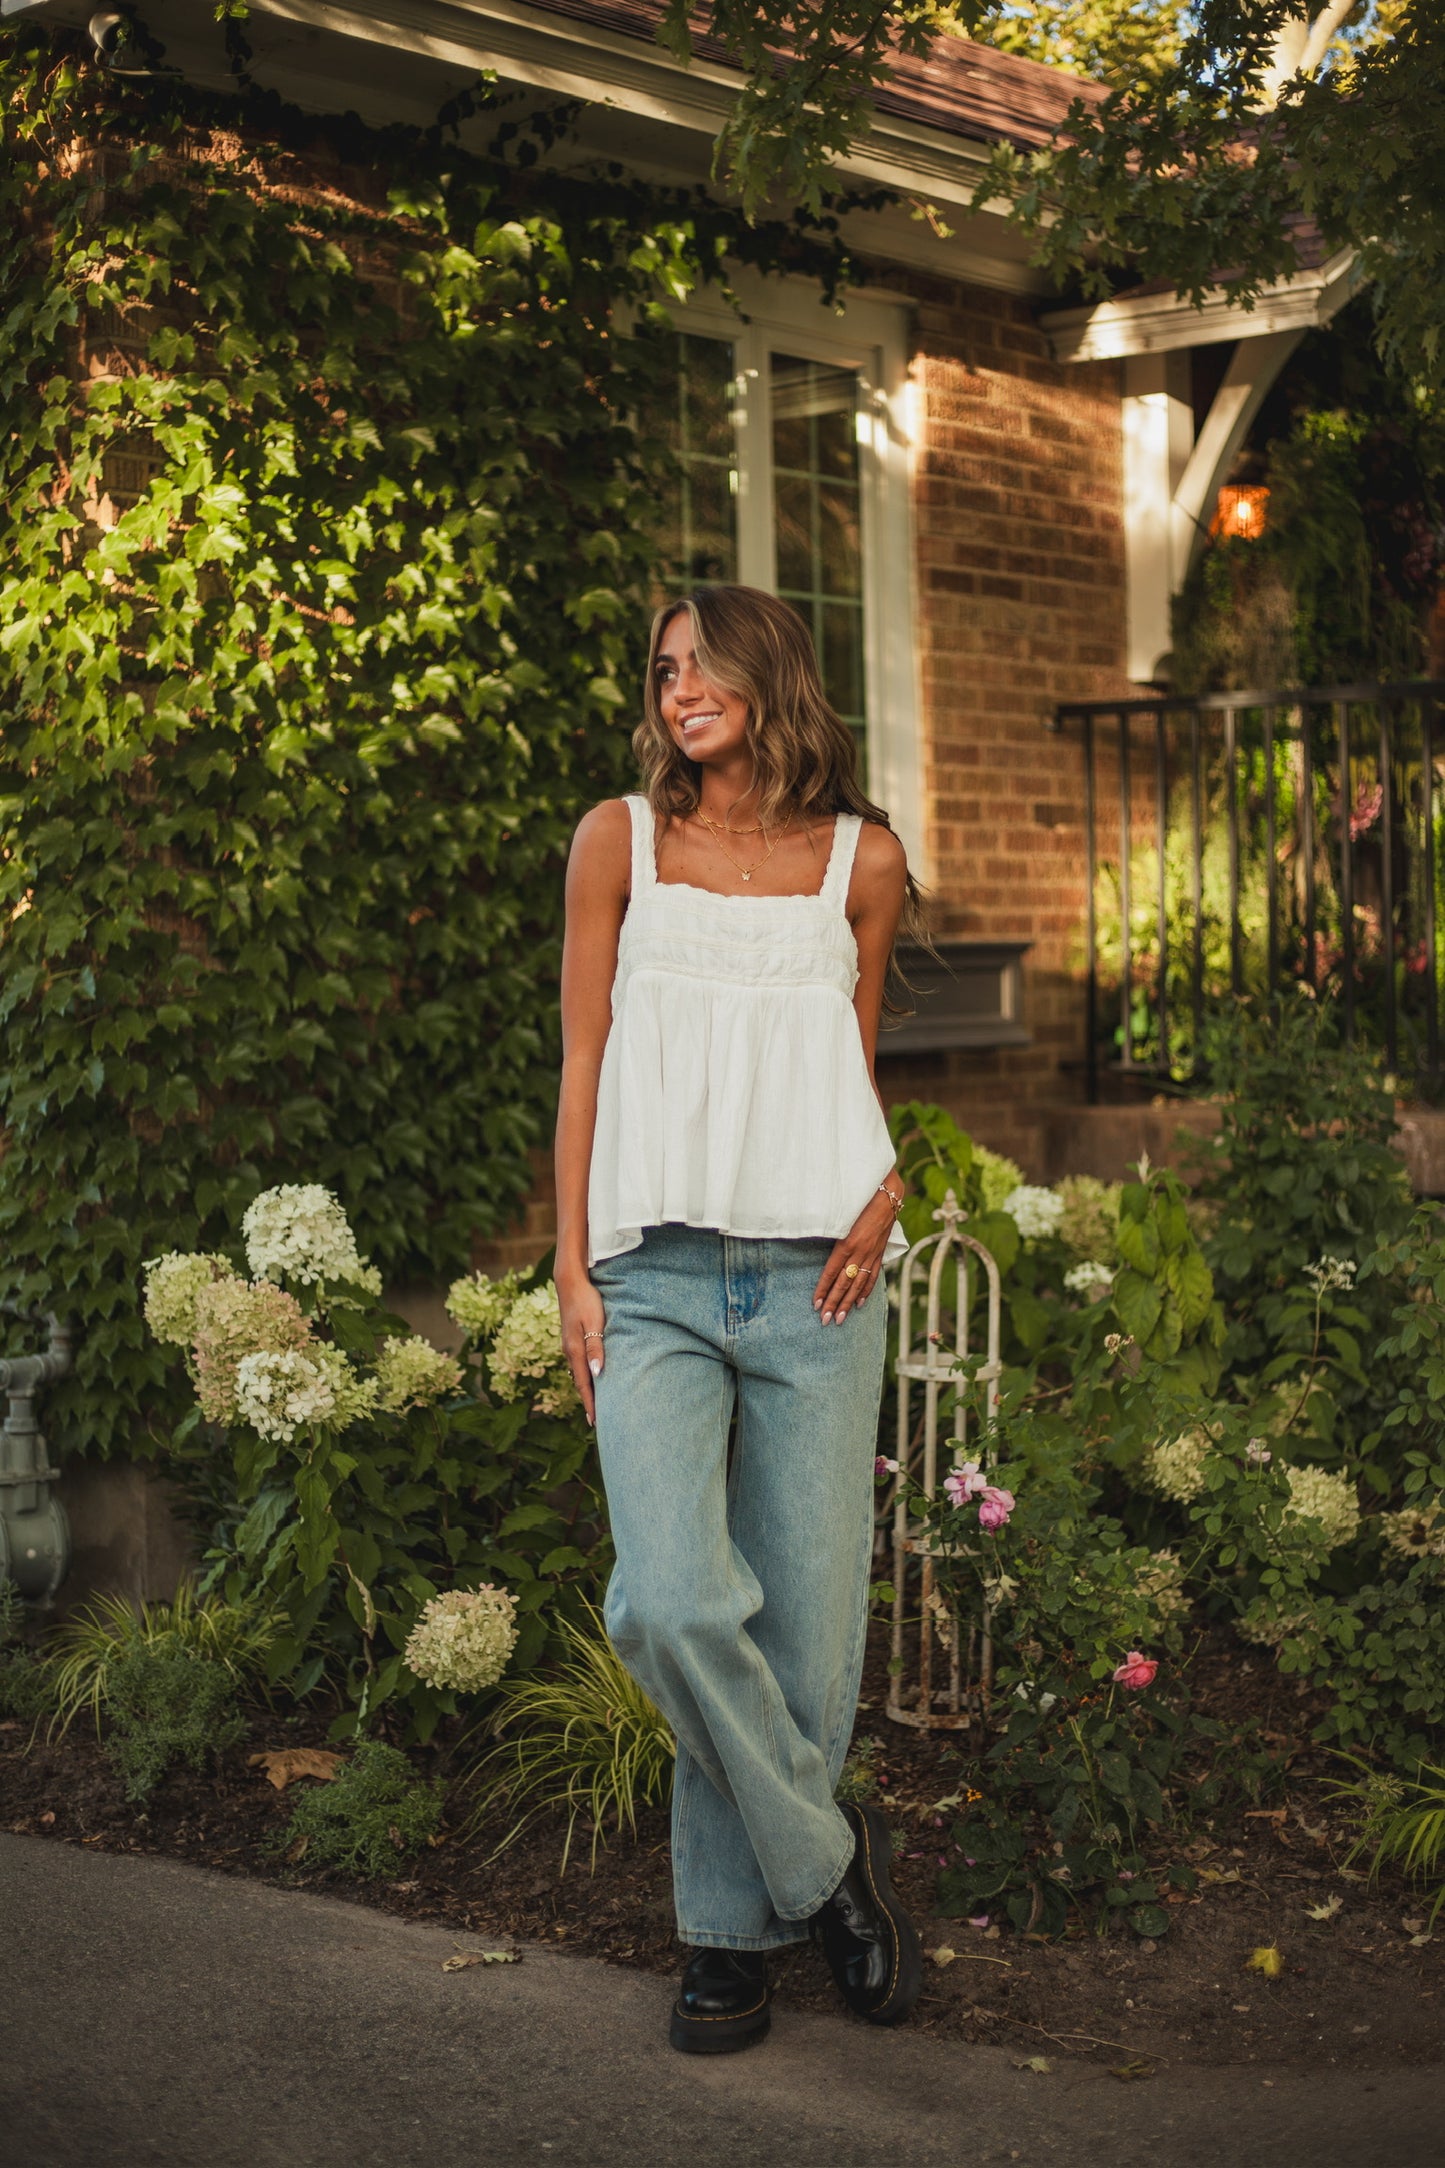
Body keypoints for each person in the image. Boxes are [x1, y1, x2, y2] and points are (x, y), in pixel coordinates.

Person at [554, 583, 927, 2053]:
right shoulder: (619, 842)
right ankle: (830, 1871)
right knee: (672, 1596)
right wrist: (574, 1264)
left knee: (810, 1633)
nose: (677, 688)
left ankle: (725, 1940)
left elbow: (846, 1061)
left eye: (702, 663)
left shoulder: (862, 859)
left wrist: (882, 1186)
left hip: (816, 1275)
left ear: (772, 674)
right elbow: (582, 1058)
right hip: (648, 1272)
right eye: (661, 671)